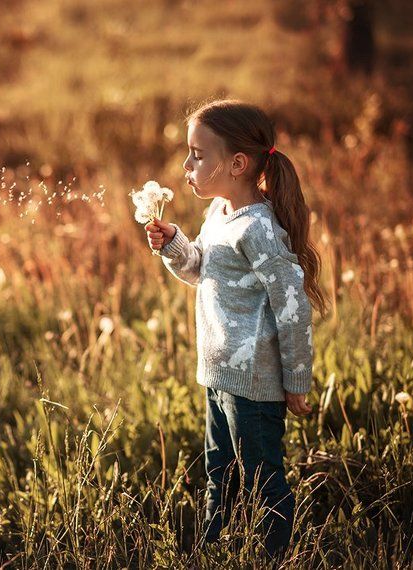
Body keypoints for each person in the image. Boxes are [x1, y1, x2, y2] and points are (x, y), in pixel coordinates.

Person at [144, 98, 329, 561]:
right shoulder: (219, 214)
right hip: (218, 375)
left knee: (264, 477)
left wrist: (297, 382)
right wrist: (175, 245)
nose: (187, 165)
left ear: (237, 163)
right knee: (219, 472)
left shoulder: (259, 229)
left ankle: (274, 555)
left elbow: (293, 308)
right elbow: (202, 270)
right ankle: (214, 551)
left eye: (197, 155)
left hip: (256, 386)